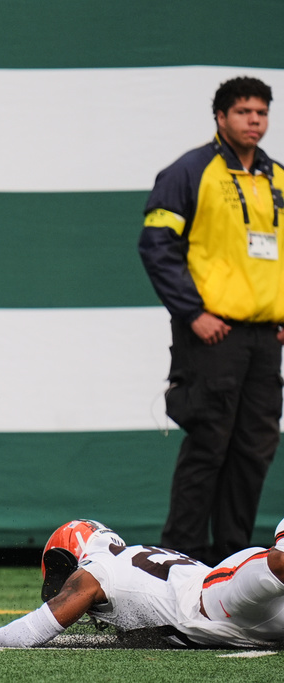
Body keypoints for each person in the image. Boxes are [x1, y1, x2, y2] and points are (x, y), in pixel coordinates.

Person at [138, 76, 284, 565]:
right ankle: (179, 559)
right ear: (220, 117)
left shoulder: (277, 178)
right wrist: (192, 312)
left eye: (261, 113)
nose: (254, 121)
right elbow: (157, 246)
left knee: (254, 450)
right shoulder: (188, 171)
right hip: (211, 334)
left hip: (266, 339)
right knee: (208, 446)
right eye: (244, 112)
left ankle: (234, 561)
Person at [0, 518, 284, 649]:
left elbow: (37, 628)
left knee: (279, 561)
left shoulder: (98, 569)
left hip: (213, 601)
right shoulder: (129, 556)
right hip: (230, 606)